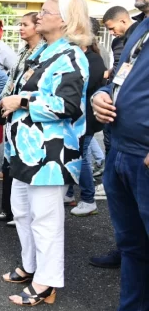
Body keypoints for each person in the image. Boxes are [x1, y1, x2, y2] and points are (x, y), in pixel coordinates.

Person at [0, 0, 91, 307]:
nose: (39, 15)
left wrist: (22, 101)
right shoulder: (45, 51)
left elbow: (68, 105)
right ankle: (31, 265)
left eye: (46, 11)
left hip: (50, 154)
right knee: (22, 211)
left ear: (64, 20)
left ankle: (46, 283)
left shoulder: (71, 55)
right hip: (25, 151)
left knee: (46, 219)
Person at [92, 0, 149, 311]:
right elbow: (118, 79)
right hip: (121, 153)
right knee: (132, 246)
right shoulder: (140, 29)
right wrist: (101, 97)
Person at [0, 12, 43, 226]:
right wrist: (1, 102)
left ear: (37, 27)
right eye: (19, 24)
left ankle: (23, 213)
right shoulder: (22, 52)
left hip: (29, 115)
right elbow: (11, 80)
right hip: (12, 112)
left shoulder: (45, 53)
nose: (20, 28)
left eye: (25, 24)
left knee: (25, 163)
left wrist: (17, 101)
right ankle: (10, 210)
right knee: (9, 161)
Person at [64, 18, 106, 217]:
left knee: (81, 158)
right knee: (74, 155)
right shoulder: (77, 57)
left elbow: (82, 87)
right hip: (76, 117)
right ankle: (70, 193)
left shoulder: (93, 59)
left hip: (87, 119)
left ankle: (89, 199)